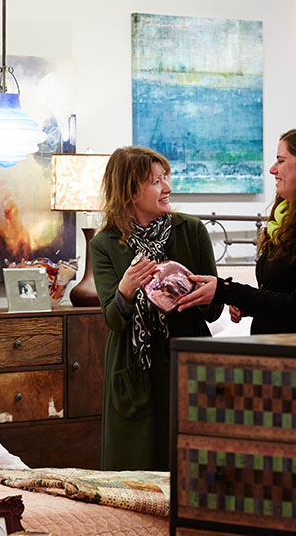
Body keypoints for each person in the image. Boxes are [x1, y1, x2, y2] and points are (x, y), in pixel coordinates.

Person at [89, 146, 222, 471]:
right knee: (132, 473)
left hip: (187, 361)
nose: (167, 188)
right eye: (156, 181)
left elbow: (213, 311)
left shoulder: (191, 231)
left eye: (166, 179)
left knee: (194, 467)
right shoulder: (105, 243)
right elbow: (114, 320)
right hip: (135, 369)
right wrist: (125, 289)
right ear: (130, 192)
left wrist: (207, 295)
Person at [177, 126, 296, 334]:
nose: (272, 169)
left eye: (281, 160)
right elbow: (279, 294)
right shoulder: (286, 221)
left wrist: (228, 292)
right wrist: (247, 304)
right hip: (280, 351)